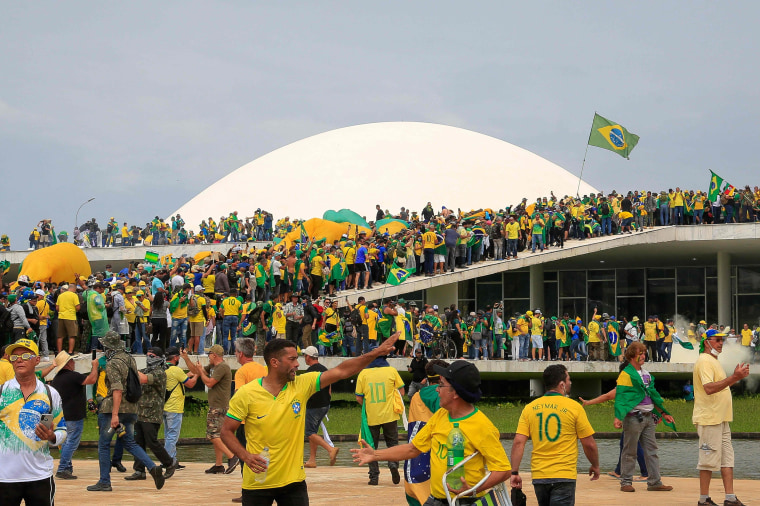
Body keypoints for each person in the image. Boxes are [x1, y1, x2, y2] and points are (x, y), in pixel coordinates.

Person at [220, 332, 400, 506]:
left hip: (293, 483)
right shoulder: (246, 394)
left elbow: (342, 371)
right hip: (257, 483)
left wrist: (376, 352)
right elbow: (226, 431)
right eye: (291, 359)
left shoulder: (302, 385)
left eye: (297, 358)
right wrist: (245, 456)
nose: (297, 364)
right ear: (274, 362)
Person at [352, 360, 511, 506]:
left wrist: (472, 489)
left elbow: (503, 469)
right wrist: (375, 455)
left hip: (465, 501)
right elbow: (413, 449)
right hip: (435, 500)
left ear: (455, 392)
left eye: (441, 385)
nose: (437, 389)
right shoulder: (441, 415)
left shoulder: (481, 426)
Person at [87, 331, 165, 492]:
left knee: (104, 444)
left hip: (113, 410)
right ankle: (152, 467)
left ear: (108, 347)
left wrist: (115, 415)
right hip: (131, 408)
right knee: (129, 442)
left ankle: (104, 481)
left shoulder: (112, 363)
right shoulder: (130, 359)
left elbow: (117, 389)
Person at [510, 364, 599, 506]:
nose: (570, 382)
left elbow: (518, 443)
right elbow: (589, 443)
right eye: (569, 379)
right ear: (562, 385)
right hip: (564, 476)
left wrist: (514, 472)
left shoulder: (530, 408)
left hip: (540, 476)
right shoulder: (574, 407)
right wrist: (595, 465)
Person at [0, 339, 67, 505]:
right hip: (4, 477)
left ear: (37, 360)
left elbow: (63, 430)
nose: (19, 360)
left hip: (40, 476)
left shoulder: (50, 393)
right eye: (14, 357)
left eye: (25, 355)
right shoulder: (2, 392)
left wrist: (52, 436)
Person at [693, 329, 749, 506]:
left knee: (727, 460)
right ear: (706, 342)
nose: (720, 343)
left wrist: (735, 377)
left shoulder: (714, 361)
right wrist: (734, 377)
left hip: (721, 418)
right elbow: (709, 388)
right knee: (707, 460)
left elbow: (720, 386)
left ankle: (730, 497)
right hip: (709, 419)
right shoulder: (704, 361)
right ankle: (704, 499)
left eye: (722, 340)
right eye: (717, 340)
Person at [613, 341, 674, 494]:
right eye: (641, 353)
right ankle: (626, 481)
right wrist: (618, 416)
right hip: (633, 417)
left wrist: (664, 413)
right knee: (630, 450)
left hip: (648, 417)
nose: (643, 356)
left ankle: (655, 481)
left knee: (652, 450)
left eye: (644, 353)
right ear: (632, 355)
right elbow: (621, 397)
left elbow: (654, 396)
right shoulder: (626, 374)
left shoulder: (647, 374)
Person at [181, 344, 237, 474]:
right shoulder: (213, 366)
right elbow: (195, 371)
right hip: (216, 405)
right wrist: (186, 358)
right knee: (217, 435)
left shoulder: (222, 367)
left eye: (209, 355)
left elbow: (209, 382)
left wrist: (200, 371)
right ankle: (219, 465)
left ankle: (232, 457)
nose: (208, 358)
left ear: (214, 355)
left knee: (211, 435)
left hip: (219, 406)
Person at [124, 346, 177, 481]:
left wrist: (130, 364)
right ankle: (139, 470)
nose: (149, 358)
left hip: (152, 414)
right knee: (138, 442)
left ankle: (169, 463)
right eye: (147, 355)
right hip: (140, 412)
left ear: (159, 358)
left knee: (151, 441)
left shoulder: (160, 372)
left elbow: (143, 379)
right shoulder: (146, 370)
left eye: (152, 356)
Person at [355, 350, 406, 486]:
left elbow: (358, 397)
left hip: (372, 416)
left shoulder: (363, 373)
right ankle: (393, 464)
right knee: (392, 444)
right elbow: (402, 391)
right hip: (390, 415)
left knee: (370, 446)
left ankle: (374, 477)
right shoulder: (391, 371)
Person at [403, 359, 448, 506]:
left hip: (414, 457)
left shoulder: (417, 396)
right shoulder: (442, 396)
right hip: (435, 457)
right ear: (442, 377)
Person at [49, 351, 99, 480]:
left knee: (66, 442)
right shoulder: (73, 376)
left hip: (62, 415)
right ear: (67, 364)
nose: (74, 362)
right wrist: (94, 367)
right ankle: (62, 468)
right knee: (71, 443)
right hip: (73, 415)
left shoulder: (57, 378)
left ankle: (67, 468)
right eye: (71, 361)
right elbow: (91, 380)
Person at [302, 345, 339, 469]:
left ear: (308, 357)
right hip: (325, 405)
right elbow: (329, 389)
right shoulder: (325, 369)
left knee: (309, 432)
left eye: (304, 356)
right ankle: (312, 460)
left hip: (314, 406)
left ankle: (330, 449)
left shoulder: (309, 372)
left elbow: (306, 391)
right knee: (314, 432)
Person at [163, 346, 198, 466]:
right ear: (175, 358)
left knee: (168, 435)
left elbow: (178, 379)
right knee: (172, 436)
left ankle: (171, 459)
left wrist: (189, 373)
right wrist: (197, 374)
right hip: (174, 408)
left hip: (164, 407)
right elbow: (191, 384)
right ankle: (169, 462)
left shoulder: (163, 368)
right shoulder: (176, 370)